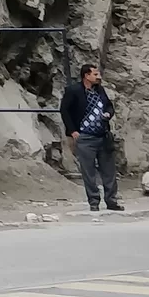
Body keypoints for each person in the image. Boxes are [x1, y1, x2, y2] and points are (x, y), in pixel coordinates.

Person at [60, 61, 122, 211]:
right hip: (85, 137)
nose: (98, 76)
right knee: (89, 171)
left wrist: (108, 113)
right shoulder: (73, 91)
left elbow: (108, 105)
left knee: (108, 170)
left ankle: (111, 200)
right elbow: (64, 110)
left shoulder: (99, 90)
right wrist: (73, 131)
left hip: (102, 135)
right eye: (95, 74)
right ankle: (94, 201)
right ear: (86, 76)